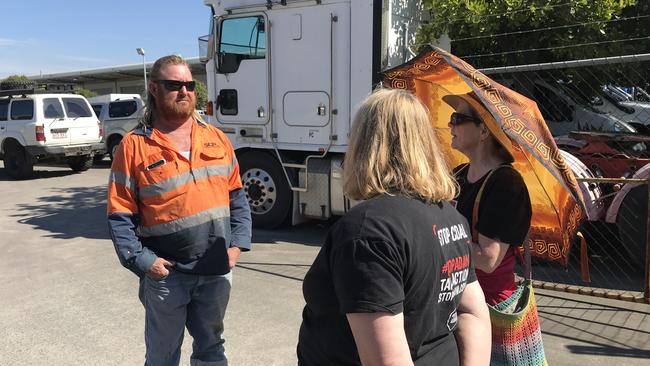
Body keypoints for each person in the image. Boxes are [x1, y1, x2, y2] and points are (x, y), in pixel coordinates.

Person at [297, 89, 491, 366]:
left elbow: (386, 362)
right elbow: (473, 313)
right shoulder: (450, 217)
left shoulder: (367, 231)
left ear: (366, 145)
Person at [107, 55, 252, 366]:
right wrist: (144, 261)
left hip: (215, 272)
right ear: (154, 89)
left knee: (212, 350)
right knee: (162, 356)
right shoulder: (134, 146)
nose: (184, 91)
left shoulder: (216, 138)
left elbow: (238, 197)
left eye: (189, 85)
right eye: (174, 85)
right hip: (167, 277)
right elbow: (120, 214)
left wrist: (237, 245)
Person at [443, 92, 532, 306]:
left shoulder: (506, 183)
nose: (450, 125)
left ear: (483, 130)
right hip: (454, 298)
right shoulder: (458, 174)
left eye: (458, 119)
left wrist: (440, 240)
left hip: (490, 307)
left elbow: (488, 259)